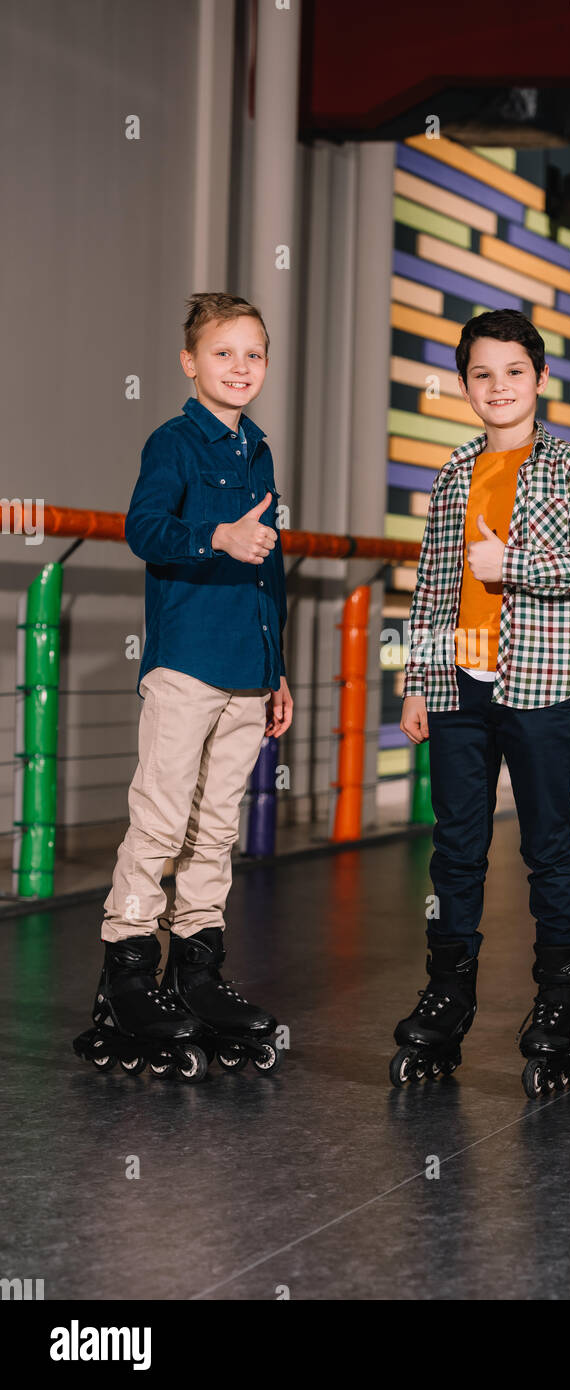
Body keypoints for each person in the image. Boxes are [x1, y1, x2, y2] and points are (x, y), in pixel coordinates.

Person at [391, 308, 570, 1096]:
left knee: (547, 847)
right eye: (481, 374)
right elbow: (429, 589)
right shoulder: (453, 471)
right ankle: (447, 998)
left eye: (513, 372)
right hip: (456, 682)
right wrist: (417, 681)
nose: (497, 387)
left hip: (538, 684)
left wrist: (511, 561)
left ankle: (561, 1003)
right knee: (454, 849)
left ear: (540, 380)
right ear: (463, 385)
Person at [73, 292, 292, 1082]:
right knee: (161, 819)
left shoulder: (258, 451)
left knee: (214, 829)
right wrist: (216, 537)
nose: (241, 367)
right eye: (225, 353)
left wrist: (278, 671)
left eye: (254, 354)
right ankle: (127, 974)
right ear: (189, 362)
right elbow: (145, 530)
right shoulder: (173, 441)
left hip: (246, 669)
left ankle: (195, 973)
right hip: (187, 663)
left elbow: (269, 565)